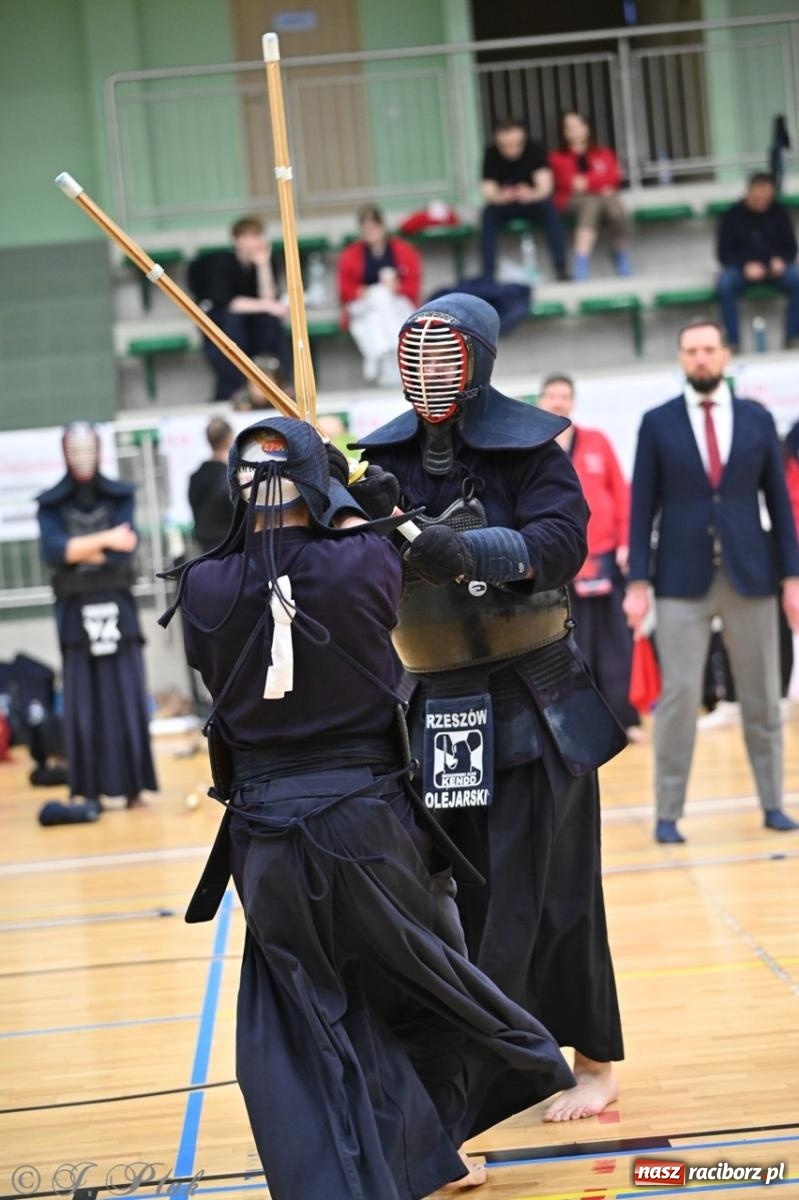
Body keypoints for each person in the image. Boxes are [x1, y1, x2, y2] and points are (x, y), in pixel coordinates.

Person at [161, 416, 575, 1198]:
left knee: (310, 1017)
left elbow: (262, 587)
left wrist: (322, 495)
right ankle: (417, 1158)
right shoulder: (361, 560)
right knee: (419, 990)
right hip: (366, 827)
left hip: (266, 841)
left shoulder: (200, 584)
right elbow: (392, 556)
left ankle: (400, 1167)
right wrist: (354, 495)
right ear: (318, 486)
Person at [354, 293, 626, 1122]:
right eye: (418, 355)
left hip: (534, 694)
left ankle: (588, 1062)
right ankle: (499, 1054)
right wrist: (347, 510)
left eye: (447, 356)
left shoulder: (533, 448)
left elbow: (560, 543)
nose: (430, 373)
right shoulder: (384, 458)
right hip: (438, 697)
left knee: (553, 887)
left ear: (478, 361)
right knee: (461, 892)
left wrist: (466, 548)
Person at [623, 319, 799, 843]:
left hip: (753, 574)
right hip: (680, 578)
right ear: (681, 358)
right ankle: (668, 812)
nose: (700, 358)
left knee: (763, 696)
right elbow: (641, 508)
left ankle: (773, 802)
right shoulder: (657, 423)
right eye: (691, 350)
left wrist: (792, 576)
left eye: (709, 349)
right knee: (678, 697)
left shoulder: (756, 418)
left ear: (725, 355)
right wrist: (637, 582)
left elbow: (779, 504)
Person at [36, 422, 157, 820]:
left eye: (89, 448)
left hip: (118, 611)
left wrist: (78, 551)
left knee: (125, 698)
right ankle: (91, 790)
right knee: (83, 705)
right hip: (74, 617)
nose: (83, 456)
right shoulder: (52, 504)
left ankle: (135, 785)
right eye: (76, 448)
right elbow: (54, 551)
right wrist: (105, 541)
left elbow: (126, 553)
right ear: (65, 452)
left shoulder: (119, 496)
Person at [537, 374, 641, 737]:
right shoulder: (533, 446)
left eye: (564, 396)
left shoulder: (597, 441)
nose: (558, 402)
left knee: (615, 642)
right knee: (568, 642)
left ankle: (625, 718)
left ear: (573, 401)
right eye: (552, 396)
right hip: (561, 559)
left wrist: (628, 541)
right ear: (541, 401)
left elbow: (622, 492)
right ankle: (578, 722)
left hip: (606, 555)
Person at [189, 216, 292, 402]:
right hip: (225, 329)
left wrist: (263, 266)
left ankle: (280, 383)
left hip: (253, 328)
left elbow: (267, 299)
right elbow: (232, 304)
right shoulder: (223, 263)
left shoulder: (267, 261)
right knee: (235, 322)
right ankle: (238, 390)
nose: (257, 241)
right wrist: (269, 305)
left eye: (258, 235)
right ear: (237, 239)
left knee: (271, 322)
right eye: (250, 236)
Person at [336, 204, 422, 387]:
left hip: (394, 304)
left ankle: (376, 355)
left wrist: (396, 287)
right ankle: (391, 355)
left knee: (383, 298)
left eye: (374, 227)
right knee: (377, 296)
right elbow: (345, 290)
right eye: (366, 229)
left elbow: (413, 285)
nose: (371, 232)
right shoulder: (351, 255)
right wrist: (363, 291)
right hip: (364, 307)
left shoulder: (402, 251)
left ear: (383, 227)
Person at [716, 172, 799, 352]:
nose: (762, 201)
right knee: (724, 283)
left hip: (774, 270)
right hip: (742, 270)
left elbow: (791, 247)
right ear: (749, 192)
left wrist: (781, 261)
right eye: (758, 197)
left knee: (797, 278)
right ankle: (732, 343)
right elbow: (723, 253)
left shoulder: (779, 212)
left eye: (766, 197)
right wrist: (744, 266)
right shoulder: (732, 215)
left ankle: (793, 337)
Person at [479, 117, 569, 282]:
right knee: (487, 214)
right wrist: (502, 196)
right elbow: (488, 191)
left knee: (550, 210)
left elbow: (545, 187)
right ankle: (488, 274)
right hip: (505, 204)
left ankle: (561, 267)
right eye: (505, 145)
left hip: (532, 202)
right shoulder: (491, 153)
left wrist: (530, 193)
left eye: (515, 144)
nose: (511, 149)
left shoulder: (534, 150)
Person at [549, 112, 632, 281]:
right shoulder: (557, 157)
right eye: (569, 127)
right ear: (563, 132)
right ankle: (583, 260)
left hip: (604, 200)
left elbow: (614, 177)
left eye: (578, 125)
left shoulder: (604, 153)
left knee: (614, 207)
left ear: (587, 128)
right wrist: (599, 184)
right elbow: (569, 183)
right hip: (569, 200)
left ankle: (619, 253)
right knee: (593, 202)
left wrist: (587, 183)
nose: (574, 130)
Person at [188, 417, 235, 554]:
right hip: (229, 547)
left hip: (205, 548)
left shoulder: (196, 476)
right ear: (229, 438)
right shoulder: (230, 477)